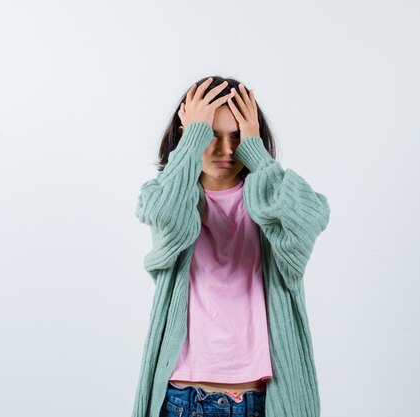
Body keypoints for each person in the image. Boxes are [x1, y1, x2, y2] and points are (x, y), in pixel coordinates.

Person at [132, 75, 331, 417]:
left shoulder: (270, 200)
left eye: (237, 136)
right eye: (210, 134)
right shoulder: (173, 198)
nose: (226, 150)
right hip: (183, 401)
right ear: (189, 134)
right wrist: (192, 139)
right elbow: (163, 212)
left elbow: (311, 218)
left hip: (262, 402)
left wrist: (258, 154)